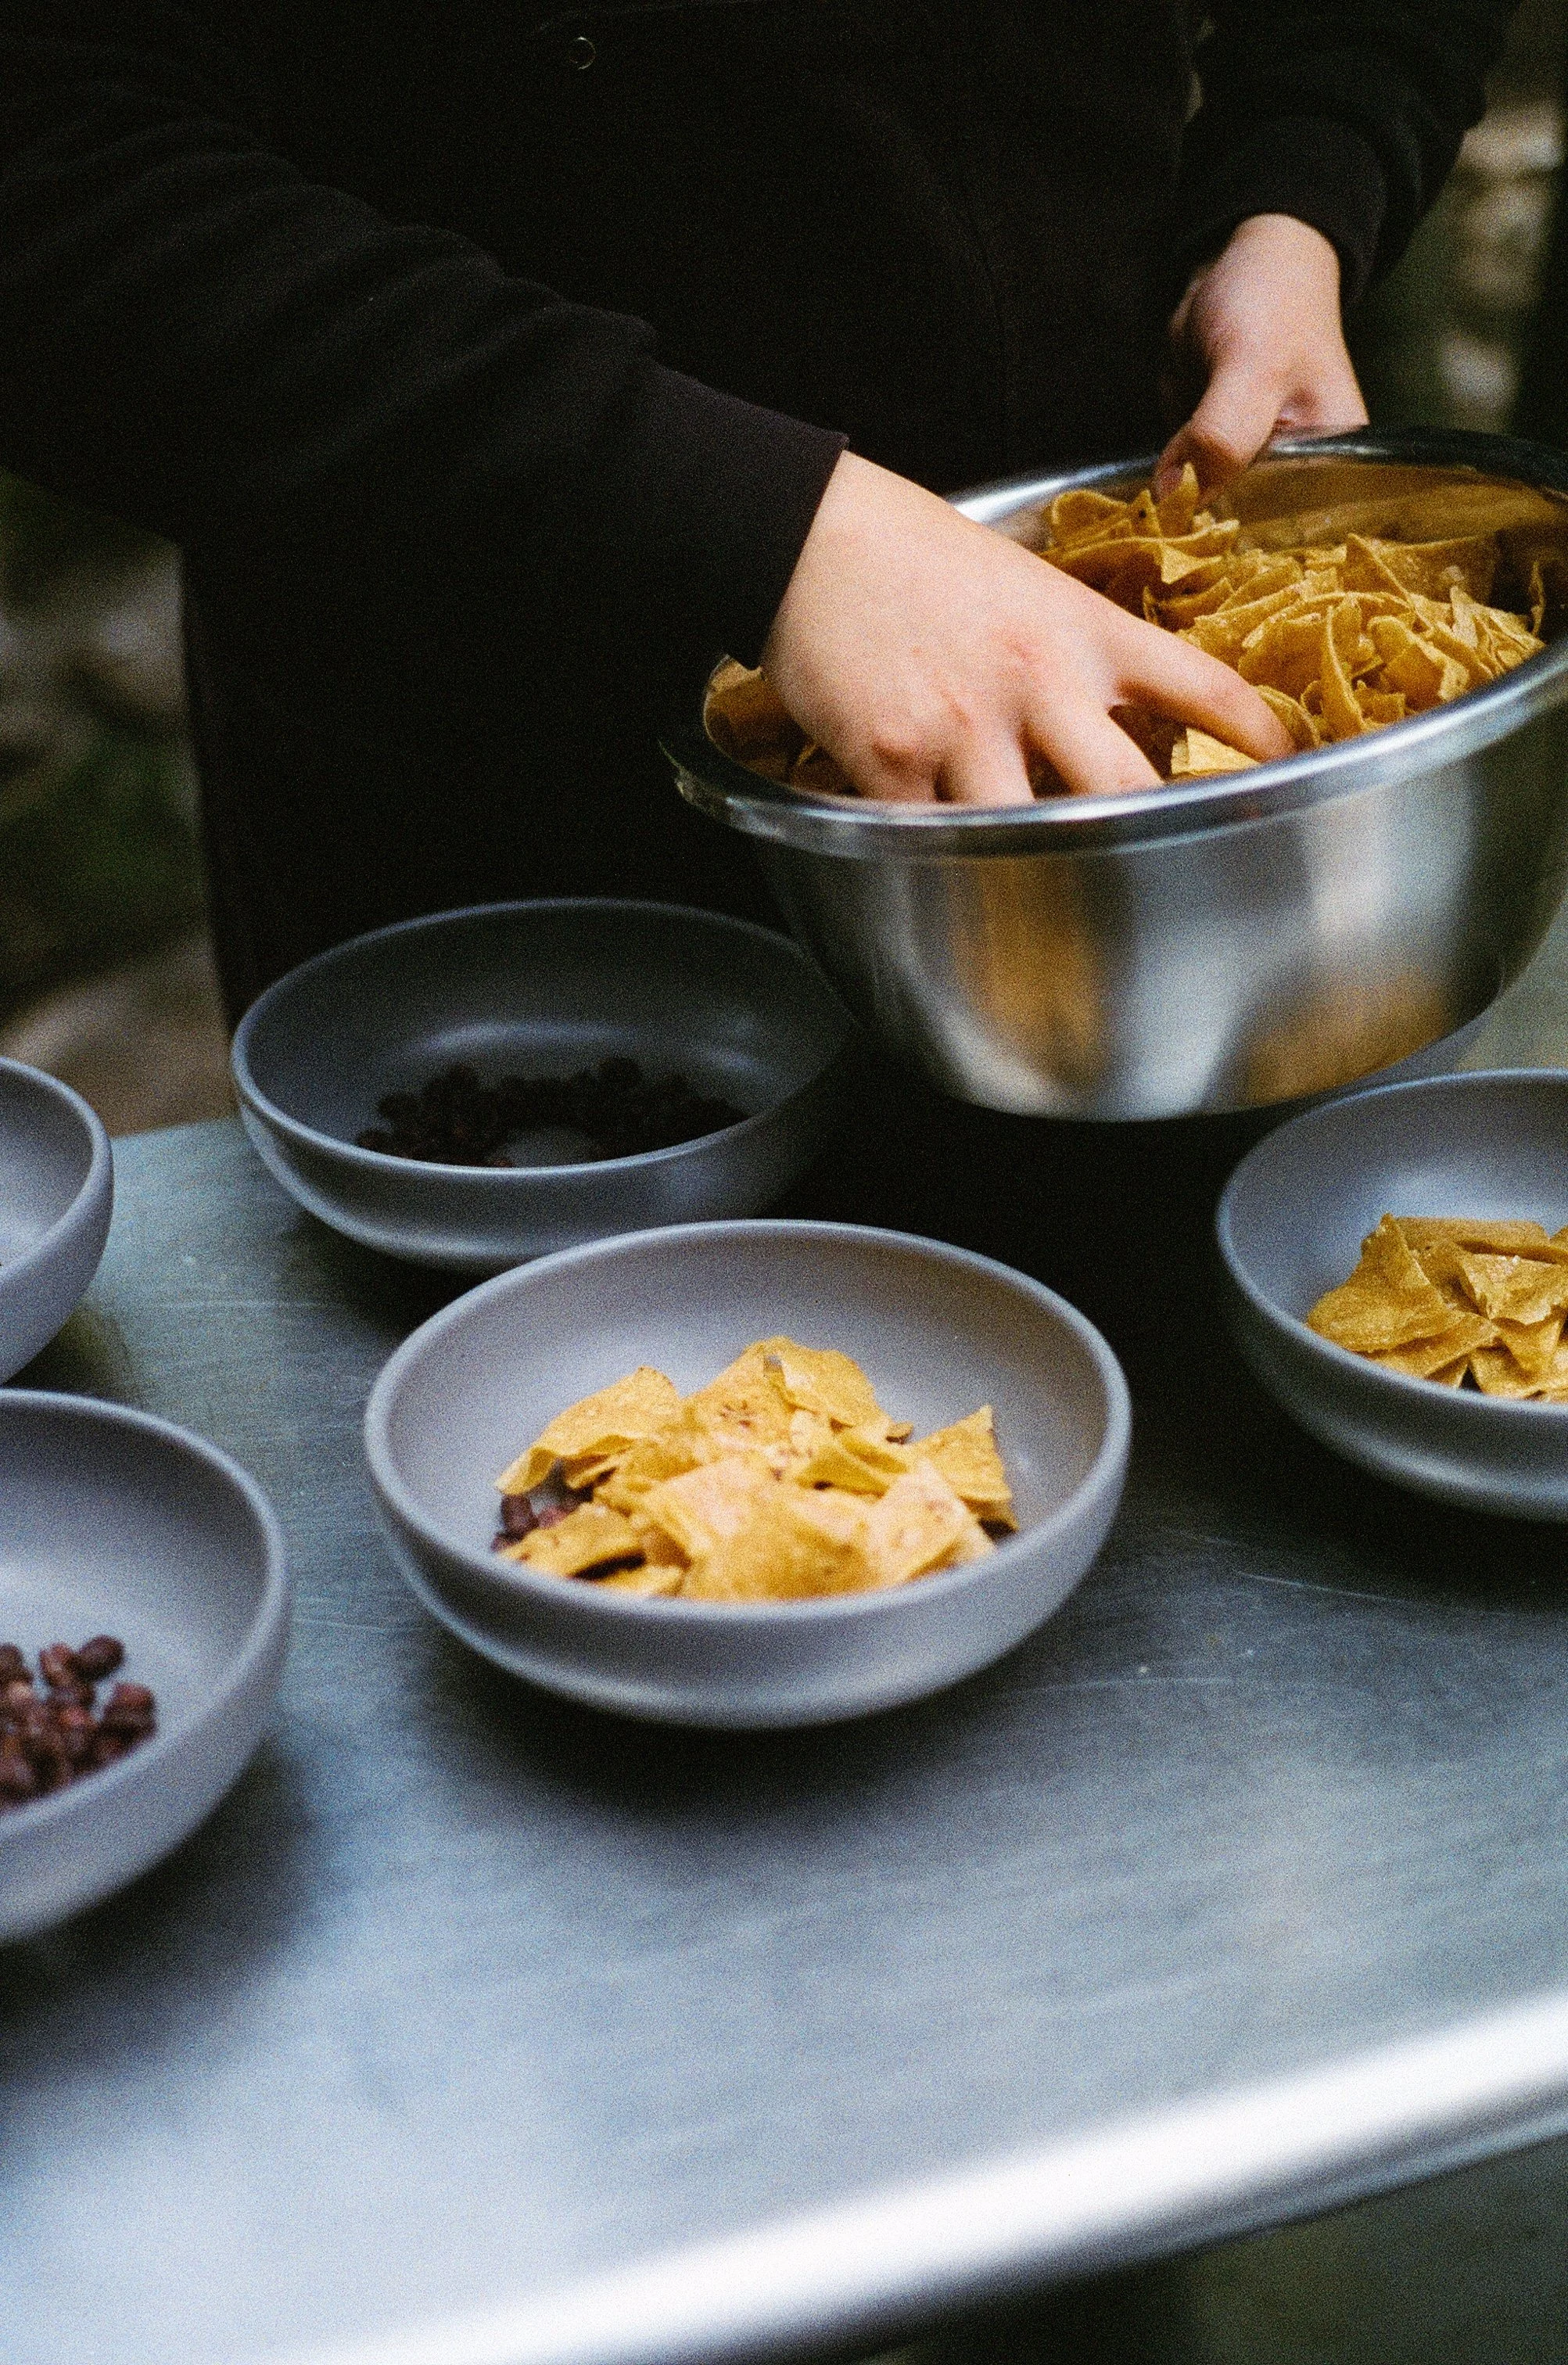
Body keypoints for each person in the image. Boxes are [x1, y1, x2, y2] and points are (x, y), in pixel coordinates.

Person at [0, 4, 1513, 1016]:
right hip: (488, 788)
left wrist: (1300, 192)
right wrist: (762, 525)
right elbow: (58, 175)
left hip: (1112, 656)